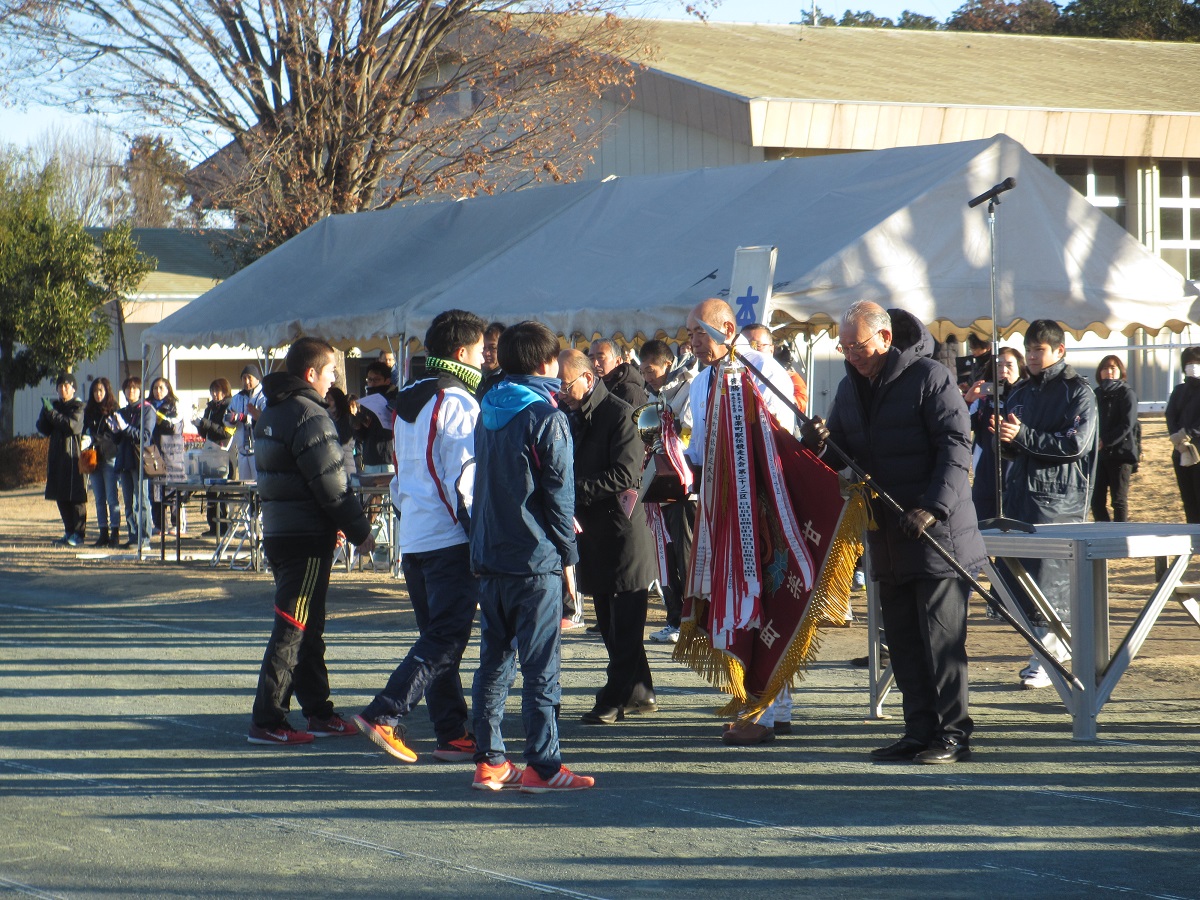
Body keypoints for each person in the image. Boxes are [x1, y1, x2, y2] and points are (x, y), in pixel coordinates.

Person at [805, 301, 985, 764]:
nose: (852, 354)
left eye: (858, 345)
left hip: (936, 538)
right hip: (886, 534)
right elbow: (843, 458)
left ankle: (953, 733)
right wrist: (818, 443)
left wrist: (933, 507)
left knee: (940, 640)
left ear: (885, 338)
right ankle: (918, 728)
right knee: (902, 640)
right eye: (844, 347)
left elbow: (956, 447)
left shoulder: (930, 377)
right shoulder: (849, 387)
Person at [354, 310, 487, 764]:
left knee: (437, 636)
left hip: (415, 534)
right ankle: (386, 713)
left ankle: (452, 731)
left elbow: (401, 476)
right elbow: (463, 481)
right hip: (448, 536)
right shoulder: (459, 402)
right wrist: (479, 541)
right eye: (481, 351)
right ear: (462, 352)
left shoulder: (408, 400)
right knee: (446, 639)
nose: (486, 359)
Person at [469, 321, 594, 793]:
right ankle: (543, 766)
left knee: (494, 662)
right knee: (541, 667)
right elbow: (559, 499)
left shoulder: (487, 407)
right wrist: (570, 560)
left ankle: (490, 760)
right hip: (533, 556)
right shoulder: (547, 415)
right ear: (547, 364)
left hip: (489, 552)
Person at [248, 337, 375, 745]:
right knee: (293, 628)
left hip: (283, 531)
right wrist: (361, 531)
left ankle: (318, 711)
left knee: (306, 627)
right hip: (304, 538)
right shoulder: (309, 414)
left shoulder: (272, 410)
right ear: (311, 374)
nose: (334, 379)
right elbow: (332, 485)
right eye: (331, 372)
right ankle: (269, 720)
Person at [685, 298, 799, 743]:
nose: (692, 342)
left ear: (726, 328)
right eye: (690, 334)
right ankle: (767, 706)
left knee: (766, 598)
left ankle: (766, 711)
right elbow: (697, 453)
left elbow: (780, 432)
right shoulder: (700, 382)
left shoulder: (761, 368)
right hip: (720, 508)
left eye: (698, 332)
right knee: (735, 603)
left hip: (765, 507)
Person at [995, 318, 1098, 689]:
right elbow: (1015, 449)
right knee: (1019, 578)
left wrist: (1023, 434)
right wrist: (1005, 438)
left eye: (1039, 349)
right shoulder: (1020, 392)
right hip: (1020, 495)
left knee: (1049, 580)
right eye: (1029, 349)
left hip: (1059, 501)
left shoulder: (1077, 392)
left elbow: (1075, 444)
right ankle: (1043, 649)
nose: (1033, 356)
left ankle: (1050, 653)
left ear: (1059, 350)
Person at [558, 349, 658, 725]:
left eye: (566, 385)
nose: (562, 393)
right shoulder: (572, 415)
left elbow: (626, 475)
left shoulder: (621, 413)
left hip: (624, 533)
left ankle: (612, 698)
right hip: (594, 534)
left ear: (587, 378)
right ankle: (640, 692)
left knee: (625, 627)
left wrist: (572, 492)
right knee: (609, 625)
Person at [638, 338, 695, 644]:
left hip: (681, 482)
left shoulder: (688, 388)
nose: (647, 376)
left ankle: (689, 620)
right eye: (643, 370)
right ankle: (674, 617)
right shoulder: (651, 394)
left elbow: (688, 430)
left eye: (651, 370)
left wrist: (666, 433)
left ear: (668, 365)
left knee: (683, 553)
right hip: (657, 482)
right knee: (664, 551)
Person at [964, 347, 1025, 521]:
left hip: (1016, 475)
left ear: (1020, 368)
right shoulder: (983, 398)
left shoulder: (1027, 396)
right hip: (985, 476)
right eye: (998, 365)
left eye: (1009, 365)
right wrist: (968, 400)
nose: (1003, 370)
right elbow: (962, 426)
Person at [36, 372, 88, 546]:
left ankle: (79, 534)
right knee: (60, 495)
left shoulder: (78, 406)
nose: (63, 389)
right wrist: (45, 412)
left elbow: (71, 426)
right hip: (57, 456)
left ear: (73, 388)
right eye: (60, 386)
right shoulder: (56, 406)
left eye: (67, 386)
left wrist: (52, 414)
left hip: (73, 457)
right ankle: (68, 531)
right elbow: (44, 429)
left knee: (76, 497)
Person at [1092, 355, 1140, 523]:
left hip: (1121, 454)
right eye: (1105, 368)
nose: (1109, 372)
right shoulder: (1095, 394)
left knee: (1118, 501)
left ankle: (1120, 538)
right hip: (1099, 455)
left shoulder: (1126, 393)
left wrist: (1105, 440)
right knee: (1096, 501)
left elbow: (1127, 424)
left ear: (1120, 371)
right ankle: (1104, 535)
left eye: (1113, 368)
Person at [82, 377, 127, 548]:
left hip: (109, 457)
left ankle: (115, 533)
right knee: (99, 498)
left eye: (101, 390)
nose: (98, 394)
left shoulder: (114, 410)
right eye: (95, 391)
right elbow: (84, 431)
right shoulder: (89, 411)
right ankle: (103, 533)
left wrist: (95, 438)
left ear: (107, 391)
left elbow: (114, 436)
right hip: (93, 459)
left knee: (112, 497)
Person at [194, 378, 236, 537]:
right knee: (210, 490)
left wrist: (206, 423)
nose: (215, 394)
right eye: (212, 391)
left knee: (223, 491)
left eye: (218, 391)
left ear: (225, 391)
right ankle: (213, 526)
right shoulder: (210, 408)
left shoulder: (229, 406)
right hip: (210, 451)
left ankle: (224, 526)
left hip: (224, 451)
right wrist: (199, 425)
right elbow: (205, 433)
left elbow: (227, 432)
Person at [116, 376, 155, 549]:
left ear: (140, 391)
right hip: (124, 460)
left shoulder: (147, 410)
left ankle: (144, 538)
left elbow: (144, 437)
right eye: (128, 388)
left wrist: (125, 428)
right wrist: (115, 429)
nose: (131, 391)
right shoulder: (124, 411)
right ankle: (133, 535)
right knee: (128, 502)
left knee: (142, 501)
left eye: (134, 388)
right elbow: (118, 439)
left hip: (140, 460)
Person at [1165, 347, 1200, 523]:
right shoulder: (1179, 390)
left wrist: (1188, 434)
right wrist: (1176, 437)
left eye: (1196, 363)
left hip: (1197, 449)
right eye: (1189, 363)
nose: (1193, 366)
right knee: (1188, 499)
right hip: (1180, 450)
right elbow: (1170, 414)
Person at [745, 323, 808, 415]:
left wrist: (786, 402)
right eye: (744, 346)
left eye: (757, 345)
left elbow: (801, 401)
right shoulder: (729, 373)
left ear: (771, 349)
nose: (751, 350)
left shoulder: (789, 376)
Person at [147, 377, 184, 534]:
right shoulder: (148, 407)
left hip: (172, 452)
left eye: (161, 388)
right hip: (152, 451)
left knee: (173, 490)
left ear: (168, 389)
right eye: (155, 388)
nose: (158, 391)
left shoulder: (175, 406)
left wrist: (160, 419)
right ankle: (160, 525)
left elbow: (175, 428)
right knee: (155, 491)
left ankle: (177, 524)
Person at [355, 360, 397, 473]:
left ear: (387, 380)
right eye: (369, 379)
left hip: (389, 456)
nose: (372, 383)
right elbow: (362, 436)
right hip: (370, 457)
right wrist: (358, 425)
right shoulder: (366, 400)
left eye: (377, 380)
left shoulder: (395, 398)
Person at [225, 365, 266, 481]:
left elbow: (266, 418)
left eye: (249, 377)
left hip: (258, 451)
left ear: (257, 378)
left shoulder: (264, 396)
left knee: (259, 485)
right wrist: (231, 419)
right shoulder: (237, 398)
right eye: (243, 378)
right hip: (242, 451)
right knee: (245, 486)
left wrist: (245, 418)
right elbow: (227, 418)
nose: (246, 381)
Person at [590, 338, 648, 408]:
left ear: (618, 361)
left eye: (600, 357)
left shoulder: (630, 392)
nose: (595, 363)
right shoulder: (591, 389)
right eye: (591, 358)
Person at [324, 386, 358, 478]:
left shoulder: (347, 419)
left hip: (345, 466)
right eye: (326, 399)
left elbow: (343, 441)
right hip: (333, 466)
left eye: (330, 400)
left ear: (338, 401)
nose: (327, 402)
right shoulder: (328, 418)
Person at [476, 321, 507, 399]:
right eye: (483, 348)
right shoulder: (476, 377)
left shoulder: (507, 381)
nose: (486, 353)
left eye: (493, 348)